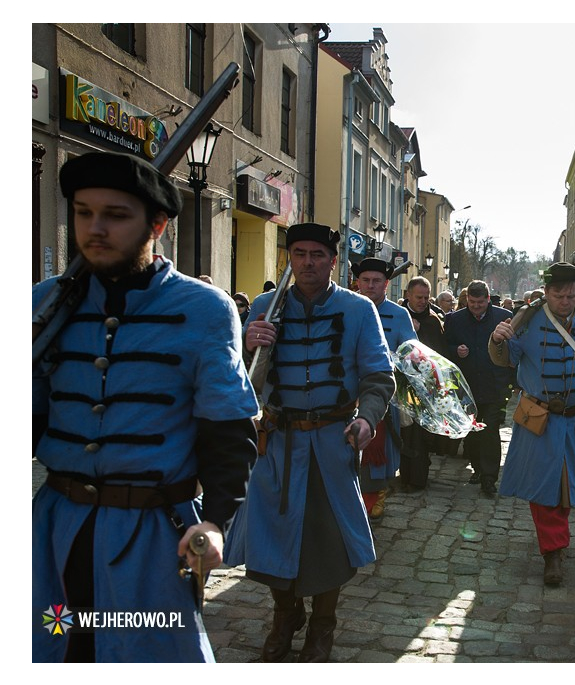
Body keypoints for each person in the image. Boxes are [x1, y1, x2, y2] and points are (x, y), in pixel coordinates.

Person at [32, 151, 259, 662]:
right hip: (55, 533)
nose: (95, 228)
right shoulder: (43, 304)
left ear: (156, 225)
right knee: (53, 648)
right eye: (84, 212)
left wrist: (216, 520)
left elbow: (227, 430)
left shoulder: (204, 308)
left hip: (153, 538)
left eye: (115, 215)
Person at [225, 223, 395, 662]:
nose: (307, 262)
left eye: (317, 254)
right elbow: (239, 379)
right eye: (298, 253)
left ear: (333, 261)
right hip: (276, 443)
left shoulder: (359, 310)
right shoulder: (266, 305)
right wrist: (246, 347)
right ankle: (285, 617)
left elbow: (379, 377)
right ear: (289, 257)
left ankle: (322, 626)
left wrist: (367, 421)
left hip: (331, 443)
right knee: (271, 538)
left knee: (327, 543)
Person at [489, 263, 575, 585]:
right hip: (539, 418)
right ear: (546, 293)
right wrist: (498, 339)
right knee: (545, 486)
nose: (565, 301)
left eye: (571, 295)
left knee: (570, 485)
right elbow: (505, 359)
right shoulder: (527, 320)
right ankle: (553, 551)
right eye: (558, 295)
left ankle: (555, 538)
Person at [352, 257, 417, 519]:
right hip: (348, 393)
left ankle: (374, 497)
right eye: (365, 280)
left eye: (376, 281)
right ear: (358, 282)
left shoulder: (400, 315)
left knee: (377, 452)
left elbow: (412, 353)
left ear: (386, 284)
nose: (370, 286)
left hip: (383, 395)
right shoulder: (347, 307)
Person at [443, 280, 514, 495]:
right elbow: (445, 346)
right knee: (472, 430)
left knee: (490, 430)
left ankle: (489, 478)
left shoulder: (502, 317)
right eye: (472, 302)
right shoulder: (455, 319)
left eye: (480, 302)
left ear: (487, 298)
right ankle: (476, 467)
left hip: (494, 384)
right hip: (467, 385)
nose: (475, 306)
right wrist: (456, 350)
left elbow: (513, 350)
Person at [400, 276, 447, 490]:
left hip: (424, 385)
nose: (423, 301)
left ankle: (417, 478)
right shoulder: (399, 316)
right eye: (419, 297)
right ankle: (403, 473)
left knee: (419, 434)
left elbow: (438, 353)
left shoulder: (433, 320)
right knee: (403, 431)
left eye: (426, 297)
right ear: (408, 294)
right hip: (400, 382)